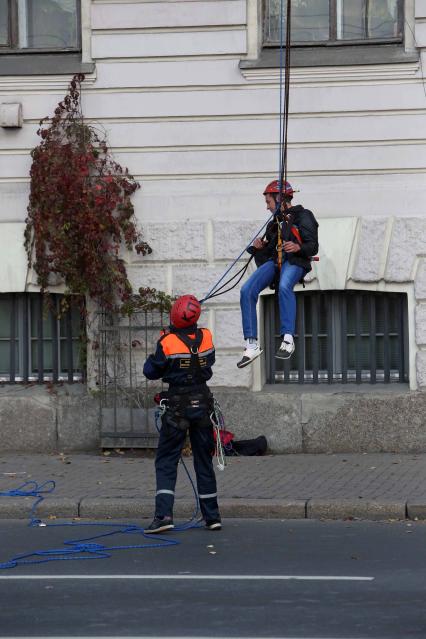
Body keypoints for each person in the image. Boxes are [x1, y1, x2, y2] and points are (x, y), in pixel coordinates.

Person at [143, 294, 221, 533]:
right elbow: (210, 362)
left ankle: (164, 516)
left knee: (167, 460)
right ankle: (212, 516)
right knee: (203, 460)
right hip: (203, 404)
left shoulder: (167, 342)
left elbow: (151, 371)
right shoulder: (206, 336)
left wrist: (161, 345)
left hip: (177, 406)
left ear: (175, 315)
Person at [237, 180, 318, 369]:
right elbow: (267, 255)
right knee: (246, 290)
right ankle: (251, 344)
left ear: (280, 198)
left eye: (268, 202)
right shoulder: (274, 223)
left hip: (295, 261)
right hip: (276, 261)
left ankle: (288, 339)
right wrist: (260, 248)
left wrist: (298, 247)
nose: (267, 207)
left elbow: (312, 246)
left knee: (284, 286)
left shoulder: (304, 216)